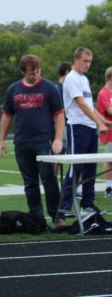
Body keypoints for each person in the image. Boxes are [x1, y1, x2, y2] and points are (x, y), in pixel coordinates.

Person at [0, 54, 65, 227]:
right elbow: (7, 115)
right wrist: (2, 140)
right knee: (30, 183)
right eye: (31, 73)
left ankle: (57, 217)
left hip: (43, 142)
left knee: (49, 178)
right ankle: (37, 219)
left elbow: (59, 115)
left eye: (37, 71)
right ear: (23, 71)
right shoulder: (13, 89)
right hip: (21, 143)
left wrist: (58, 139)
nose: (35, 75)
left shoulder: (50, 88)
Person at [61, 47, 111, 216]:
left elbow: (90, 106)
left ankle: (87, 204)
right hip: (77, 127)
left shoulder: (84, 79)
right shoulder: (72, 78)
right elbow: (81, 103)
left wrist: (104, 122)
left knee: (90, 168)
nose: (88, 64)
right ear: (76, 60)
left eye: (90, 61)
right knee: (75, 167)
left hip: (89, 128)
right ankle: (65, 207)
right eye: (85, 61)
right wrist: (100, 122)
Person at [96, 66, 112, 197]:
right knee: (110, 160)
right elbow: (110, 111)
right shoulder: (103, 93)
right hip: (109, 133)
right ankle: (109, 188)